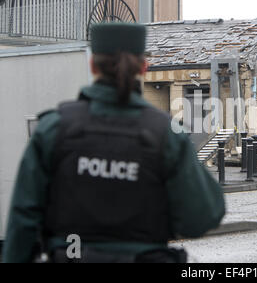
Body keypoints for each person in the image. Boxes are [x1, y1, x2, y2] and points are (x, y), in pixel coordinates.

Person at [2, 23, 226, 263]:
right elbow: (202, 217)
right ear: (143, 67)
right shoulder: (165, 134)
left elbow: (23, 220)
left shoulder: (54, 129)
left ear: (92, 65)